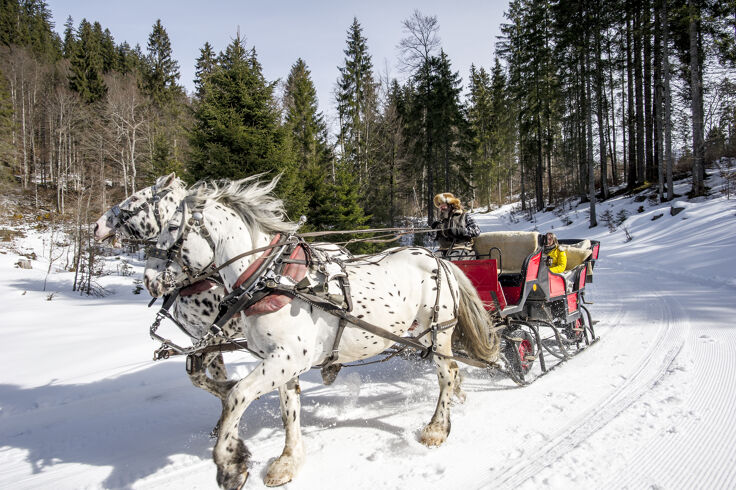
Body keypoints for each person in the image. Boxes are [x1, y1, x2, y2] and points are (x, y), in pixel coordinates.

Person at [431, 192, 480, 256]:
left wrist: (461, 231)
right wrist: (433, 232)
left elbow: (476, 230)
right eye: (439, 205)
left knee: (450, 262)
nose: (440, 207)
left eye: (442, 204)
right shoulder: (440, 221)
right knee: (431, 261)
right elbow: (432, 238)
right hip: (443, 249)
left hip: (462, 249)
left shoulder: (464, 216)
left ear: (451, 204)